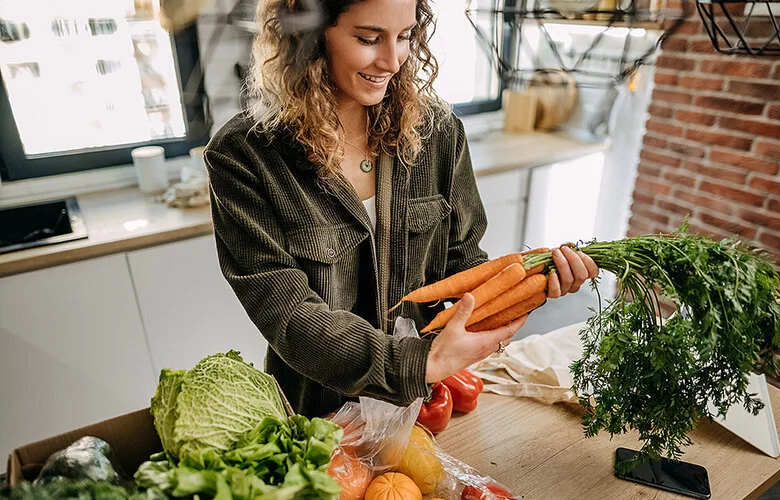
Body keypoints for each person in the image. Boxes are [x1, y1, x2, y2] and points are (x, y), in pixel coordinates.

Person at [204, 0, 599, 417]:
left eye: (406, 36)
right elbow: (288, 315)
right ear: (308, 36)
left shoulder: (438, 133)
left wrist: (534, 282)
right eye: (369, 38)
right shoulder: (244, 156)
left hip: (427, 405)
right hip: (320, 419)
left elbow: (464, 267)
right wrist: (419, 363)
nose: (393, 61)